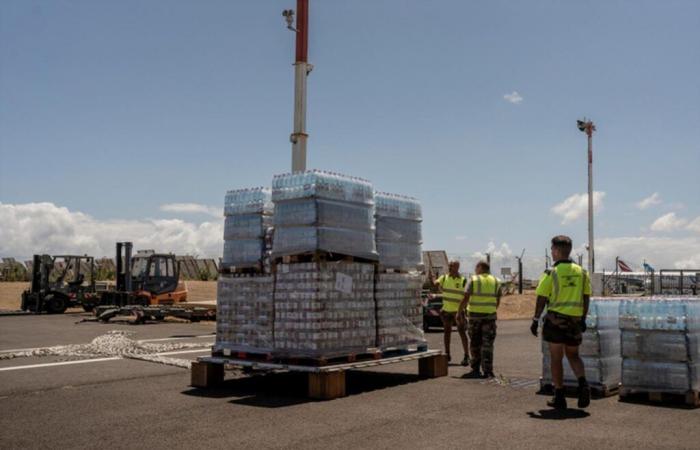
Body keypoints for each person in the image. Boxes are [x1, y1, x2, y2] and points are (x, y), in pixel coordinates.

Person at [530, 235, 592, 410]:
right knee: (574, 355)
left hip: (556, 320)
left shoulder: (552, 272)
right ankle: (583, 385)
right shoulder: (582, 272)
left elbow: (541, 297)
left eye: (552, 250)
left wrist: (535, 320)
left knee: (556, 358)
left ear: (556, 250)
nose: (551, 252)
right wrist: (583, 318)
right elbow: (586, 297)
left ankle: (559, 396)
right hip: (575, 320)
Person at [458, 260, 500, 378]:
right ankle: (488, 371)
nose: (475, 270)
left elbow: (466, 297)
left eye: (476, 267)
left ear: (480, 268)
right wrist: (491, 310)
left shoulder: (473, 279)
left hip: (475, 318)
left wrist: (459, 311)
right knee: (488, 345)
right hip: (490, 318)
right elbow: (498, 299)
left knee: (475, 343)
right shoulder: (496, 281)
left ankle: (475, 369)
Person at [432, 261, 469, 365]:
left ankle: (466, 356)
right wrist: (433, 278)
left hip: (458, 311)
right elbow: (435, 284)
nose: (453, 267)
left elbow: (467, 295)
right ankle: (447, 354)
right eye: (452, 265)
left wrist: (463, 309)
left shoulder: (463, 280)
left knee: (462, 332)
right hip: (447, 311)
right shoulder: (444, 278)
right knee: (447, 333)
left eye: (455, 265)